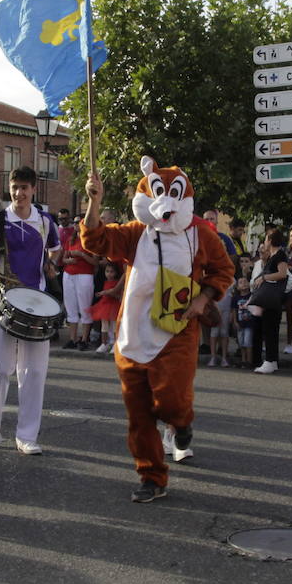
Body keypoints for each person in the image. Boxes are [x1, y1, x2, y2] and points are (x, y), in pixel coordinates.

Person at [79, 159, 234, 500]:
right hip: (133, 334)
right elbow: (95, 240)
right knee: (139, 414)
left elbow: (223, 270)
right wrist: (94, 201)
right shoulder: (136, 232)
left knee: (172, 401)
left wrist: (203, 298)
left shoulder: (201, 235)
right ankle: (151, 476)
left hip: (176, 330)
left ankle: (181, 424)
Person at [0, 166, 60, 454]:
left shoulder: (45, 222)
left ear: (33, 189)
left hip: (36, 305)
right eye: (15, 187)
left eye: (24, 187)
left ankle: (27, 437)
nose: (18, 193)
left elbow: (54, 252)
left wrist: (52, 265)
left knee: (34, 373)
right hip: (3, 301)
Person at [248, 231, 290, 374]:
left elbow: (282, 273)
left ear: (270, 240)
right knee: (268, 329)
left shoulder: (280, 255)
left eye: (266, 239)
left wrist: (265, 277)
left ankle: (270, 360)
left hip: (273, 299)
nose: (265, 241)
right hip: (269, 300)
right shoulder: (273, 256)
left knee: (271, 330)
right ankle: (272, 360)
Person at [60, 204, 98, 350]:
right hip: (69, 273)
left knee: (84, 307)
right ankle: (73, 338)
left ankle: (84, 338)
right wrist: (68, 260)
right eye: (74, 222)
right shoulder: (71, 239)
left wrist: (82, 255)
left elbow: (95, 262)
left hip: (84, 274)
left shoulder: (90, 240)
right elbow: (63, 259)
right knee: (70, 307)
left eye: (77, 222)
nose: (75, 224)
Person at [90, 262, 124, 355]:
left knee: (114, 326)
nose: (109, 274)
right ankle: (104, 343)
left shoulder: (117, 283)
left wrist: (106, 292)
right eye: (107, 271)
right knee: (104, 326)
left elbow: (118, 296)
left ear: (116, 273)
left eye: (111, 272)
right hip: (104, 305)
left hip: (114, 306)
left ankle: (114, 343)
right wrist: (103, 293)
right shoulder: (105, 282)